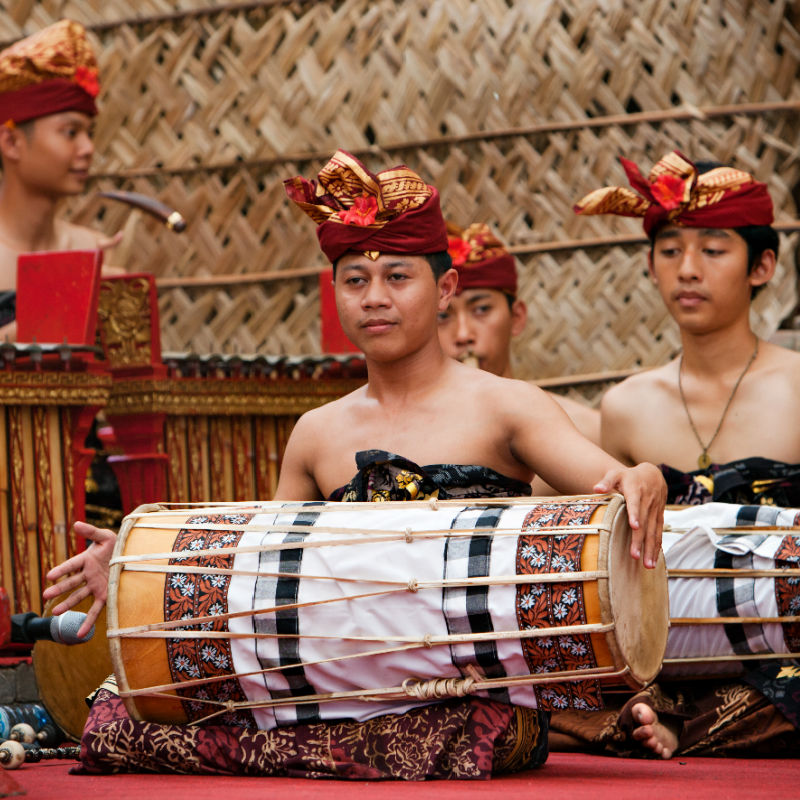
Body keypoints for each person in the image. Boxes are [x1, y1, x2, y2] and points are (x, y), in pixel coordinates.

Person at [46, 150, 666, 778]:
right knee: (116, 716)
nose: (375, 298)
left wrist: (641, 477)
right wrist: (132, 579)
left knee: (468, 730)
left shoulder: (506, 407)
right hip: (343, 682)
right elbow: (259, 583)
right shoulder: (316, 432)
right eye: (355, 280)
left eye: (399, 278)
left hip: (467, 695)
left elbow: (607, 482)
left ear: (444, 288)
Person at [546, 150, 800, 759]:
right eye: (669, 251)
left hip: (784, 656)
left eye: (713, 251)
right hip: (669, 654)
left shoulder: (797, 387)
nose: (688, 269)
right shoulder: (628, 405)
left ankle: (683, 730)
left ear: (761, 265)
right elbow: (605, 558)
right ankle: (654, 718)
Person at [437, 221, 600, 464]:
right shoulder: (406, 440)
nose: (463, 334)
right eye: (443, 316)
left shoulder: (586, 434)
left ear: (516, 317)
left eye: (481, 309)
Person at [0, 19, 122, 339]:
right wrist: (63, 305)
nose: (88, 149)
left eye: (89, 133)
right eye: (70, 133)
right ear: (11, 143)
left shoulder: (91, 249)